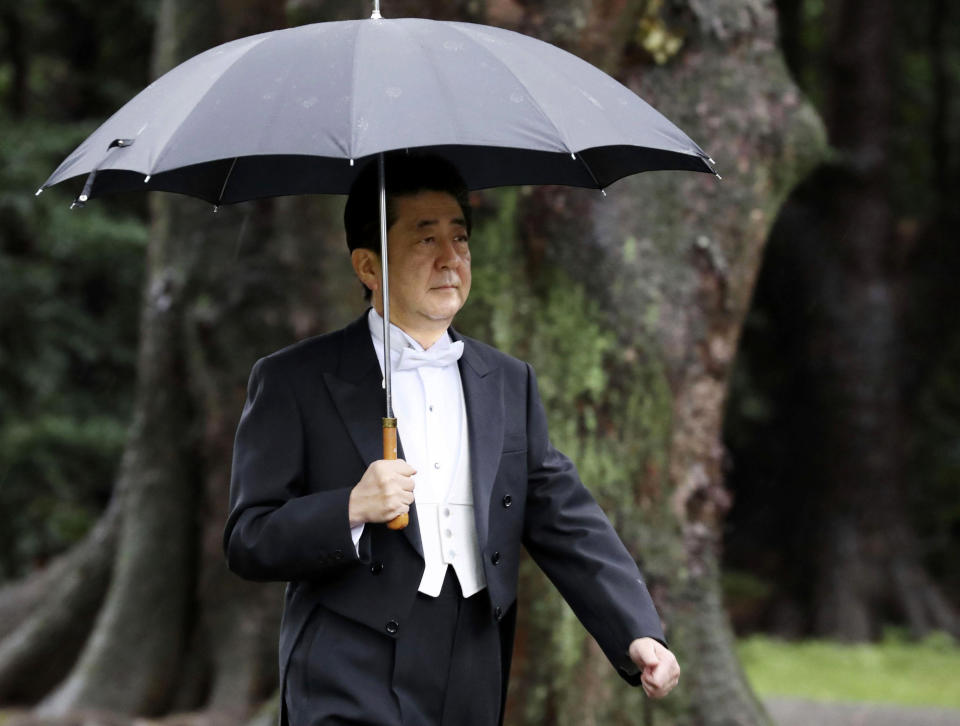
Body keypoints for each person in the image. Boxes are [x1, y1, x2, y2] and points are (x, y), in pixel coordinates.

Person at [223, 152, 680, 726]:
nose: (450, 259)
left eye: (460, 239)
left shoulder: (510, 381)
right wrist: (349, 508)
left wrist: (636, 630)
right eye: (424, 239)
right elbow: (248, 538)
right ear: (368, 265)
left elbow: (566, 519)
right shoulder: (293, 379)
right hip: (346, 665)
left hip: (471, 662)